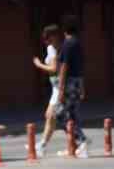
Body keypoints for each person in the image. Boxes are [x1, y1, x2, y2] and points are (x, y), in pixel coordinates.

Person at [53, 18, 89, 157]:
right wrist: (83, 87)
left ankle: (82, 140)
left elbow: (64, 67)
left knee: (60, 114)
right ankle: (74, 147)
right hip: (78, 82)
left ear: (65, 30)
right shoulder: (79, 44)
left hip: (69, 83)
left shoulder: (67, 44)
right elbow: (82, 66)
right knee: (73, 115)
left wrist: (61, 89)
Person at [31, 24, 60, 156]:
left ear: (53, 37)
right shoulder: (51, 48)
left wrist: (39, 65)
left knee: (51, 116)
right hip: (55, 87)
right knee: (51, 116)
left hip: (60, 87)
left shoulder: (54, 49)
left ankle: (41, 145)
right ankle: (41, 145)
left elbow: (54, 68)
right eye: (45, 39)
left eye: (47, 39)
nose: (46, 42)